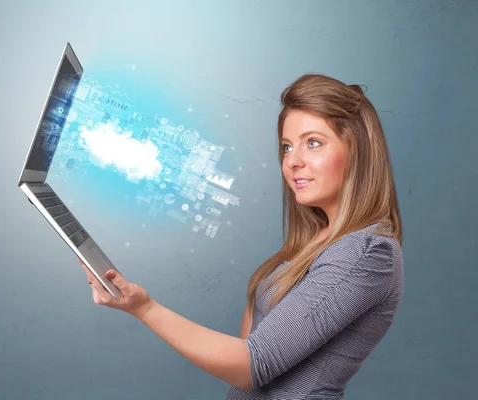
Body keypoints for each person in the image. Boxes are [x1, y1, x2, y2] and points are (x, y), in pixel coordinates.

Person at [79, 73, 404, 399]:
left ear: (358, 150)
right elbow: (249, 353)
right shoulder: (316, 244)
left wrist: (144, 307)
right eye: (287, 147)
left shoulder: (367, 252)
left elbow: (253, 365)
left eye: (313, 142)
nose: (293, 161)